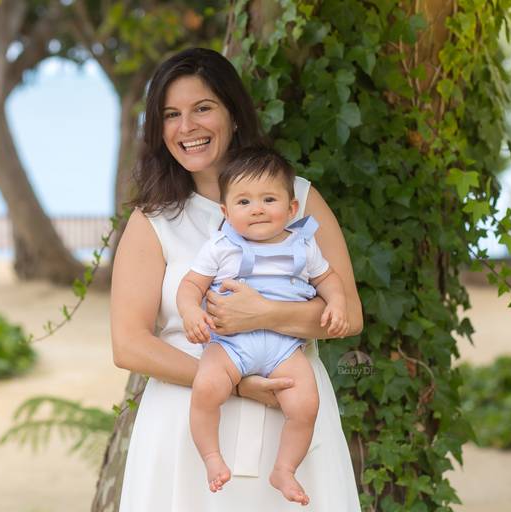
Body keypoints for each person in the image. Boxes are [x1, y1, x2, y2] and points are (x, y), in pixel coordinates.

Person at [111, 47, 363, 511]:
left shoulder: (298, 199)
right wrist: (233, 383)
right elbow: (128, 345)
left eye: (202, 108)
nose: (187, 127)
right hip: (185, 427)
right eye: (171, 114)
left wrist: (265, 314)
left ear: (233, 113)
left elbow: (348, 314)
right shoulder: (154, 220)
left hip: (290, 412)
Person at [176, 147, 349, 505]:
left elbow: (328, 278)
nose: (257, 209)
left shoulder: (302, 245)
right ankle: (211, 456)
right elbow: (191, 284)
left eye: (269, 199)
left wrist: (336, 302)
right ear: (226, 212)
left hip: (284, 346)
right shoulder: (221, 246)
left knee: (306, 405)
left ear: (292, 208)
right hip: (230, 345)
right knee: (206, 388)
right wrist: (191, 312)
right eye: (243, 202)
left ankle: (284, 468)